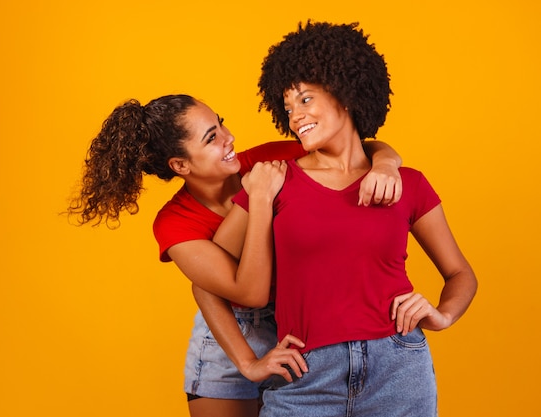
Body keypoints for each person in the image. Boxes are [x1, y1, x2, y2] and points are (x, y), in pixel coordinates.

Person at [68, 93, 403, 417]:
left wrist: (387, 163)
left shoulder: (269, 159)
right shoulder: (174, 224)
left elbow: (355, 147)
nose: (229, 137)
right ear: (180, 164)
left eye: (221, 124)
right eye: (212, 137)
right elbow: (250, 293)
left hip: (301, 329)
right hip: (230, 342)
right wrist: (257, 199)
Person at [213, 21, 478, 417]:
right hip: (304, 376)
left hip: (399, 369)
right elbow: (209, 280)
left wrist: (442, 316)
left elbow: (461, 274)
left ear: (346, 93)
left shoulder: (407, 183)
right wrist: (248, 363)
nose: (295, 117)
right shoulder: (274, 181)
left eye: (305, 100)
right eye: (287, 108)